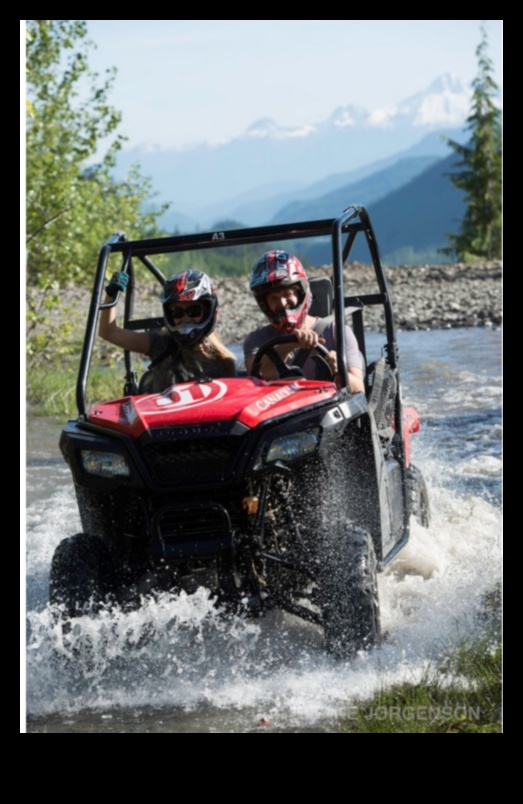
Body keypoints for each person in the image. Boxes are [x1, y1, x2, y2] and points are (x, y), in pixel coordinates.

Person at [243, 250, 364, 393]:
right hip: (282, 413)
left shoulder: (337, 332)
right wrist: (290, 343)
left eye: (287, 294)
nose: (282, 302)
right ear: (265, 304)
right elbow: (258, 372)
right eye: (274, 298)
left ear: (300, 294)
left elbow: (359, 388)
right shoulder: (257, 339)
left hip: (326, 411)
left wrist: (340, 371)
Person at [99, 269, 237, 391]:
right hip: (163, 418)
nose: (185, 318)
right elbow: (108, 332)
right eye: (177, 312)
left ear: (209, 312)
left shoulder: (224, 362)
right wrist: (111, 294)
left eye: (193, 311)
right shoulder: (162, 344)